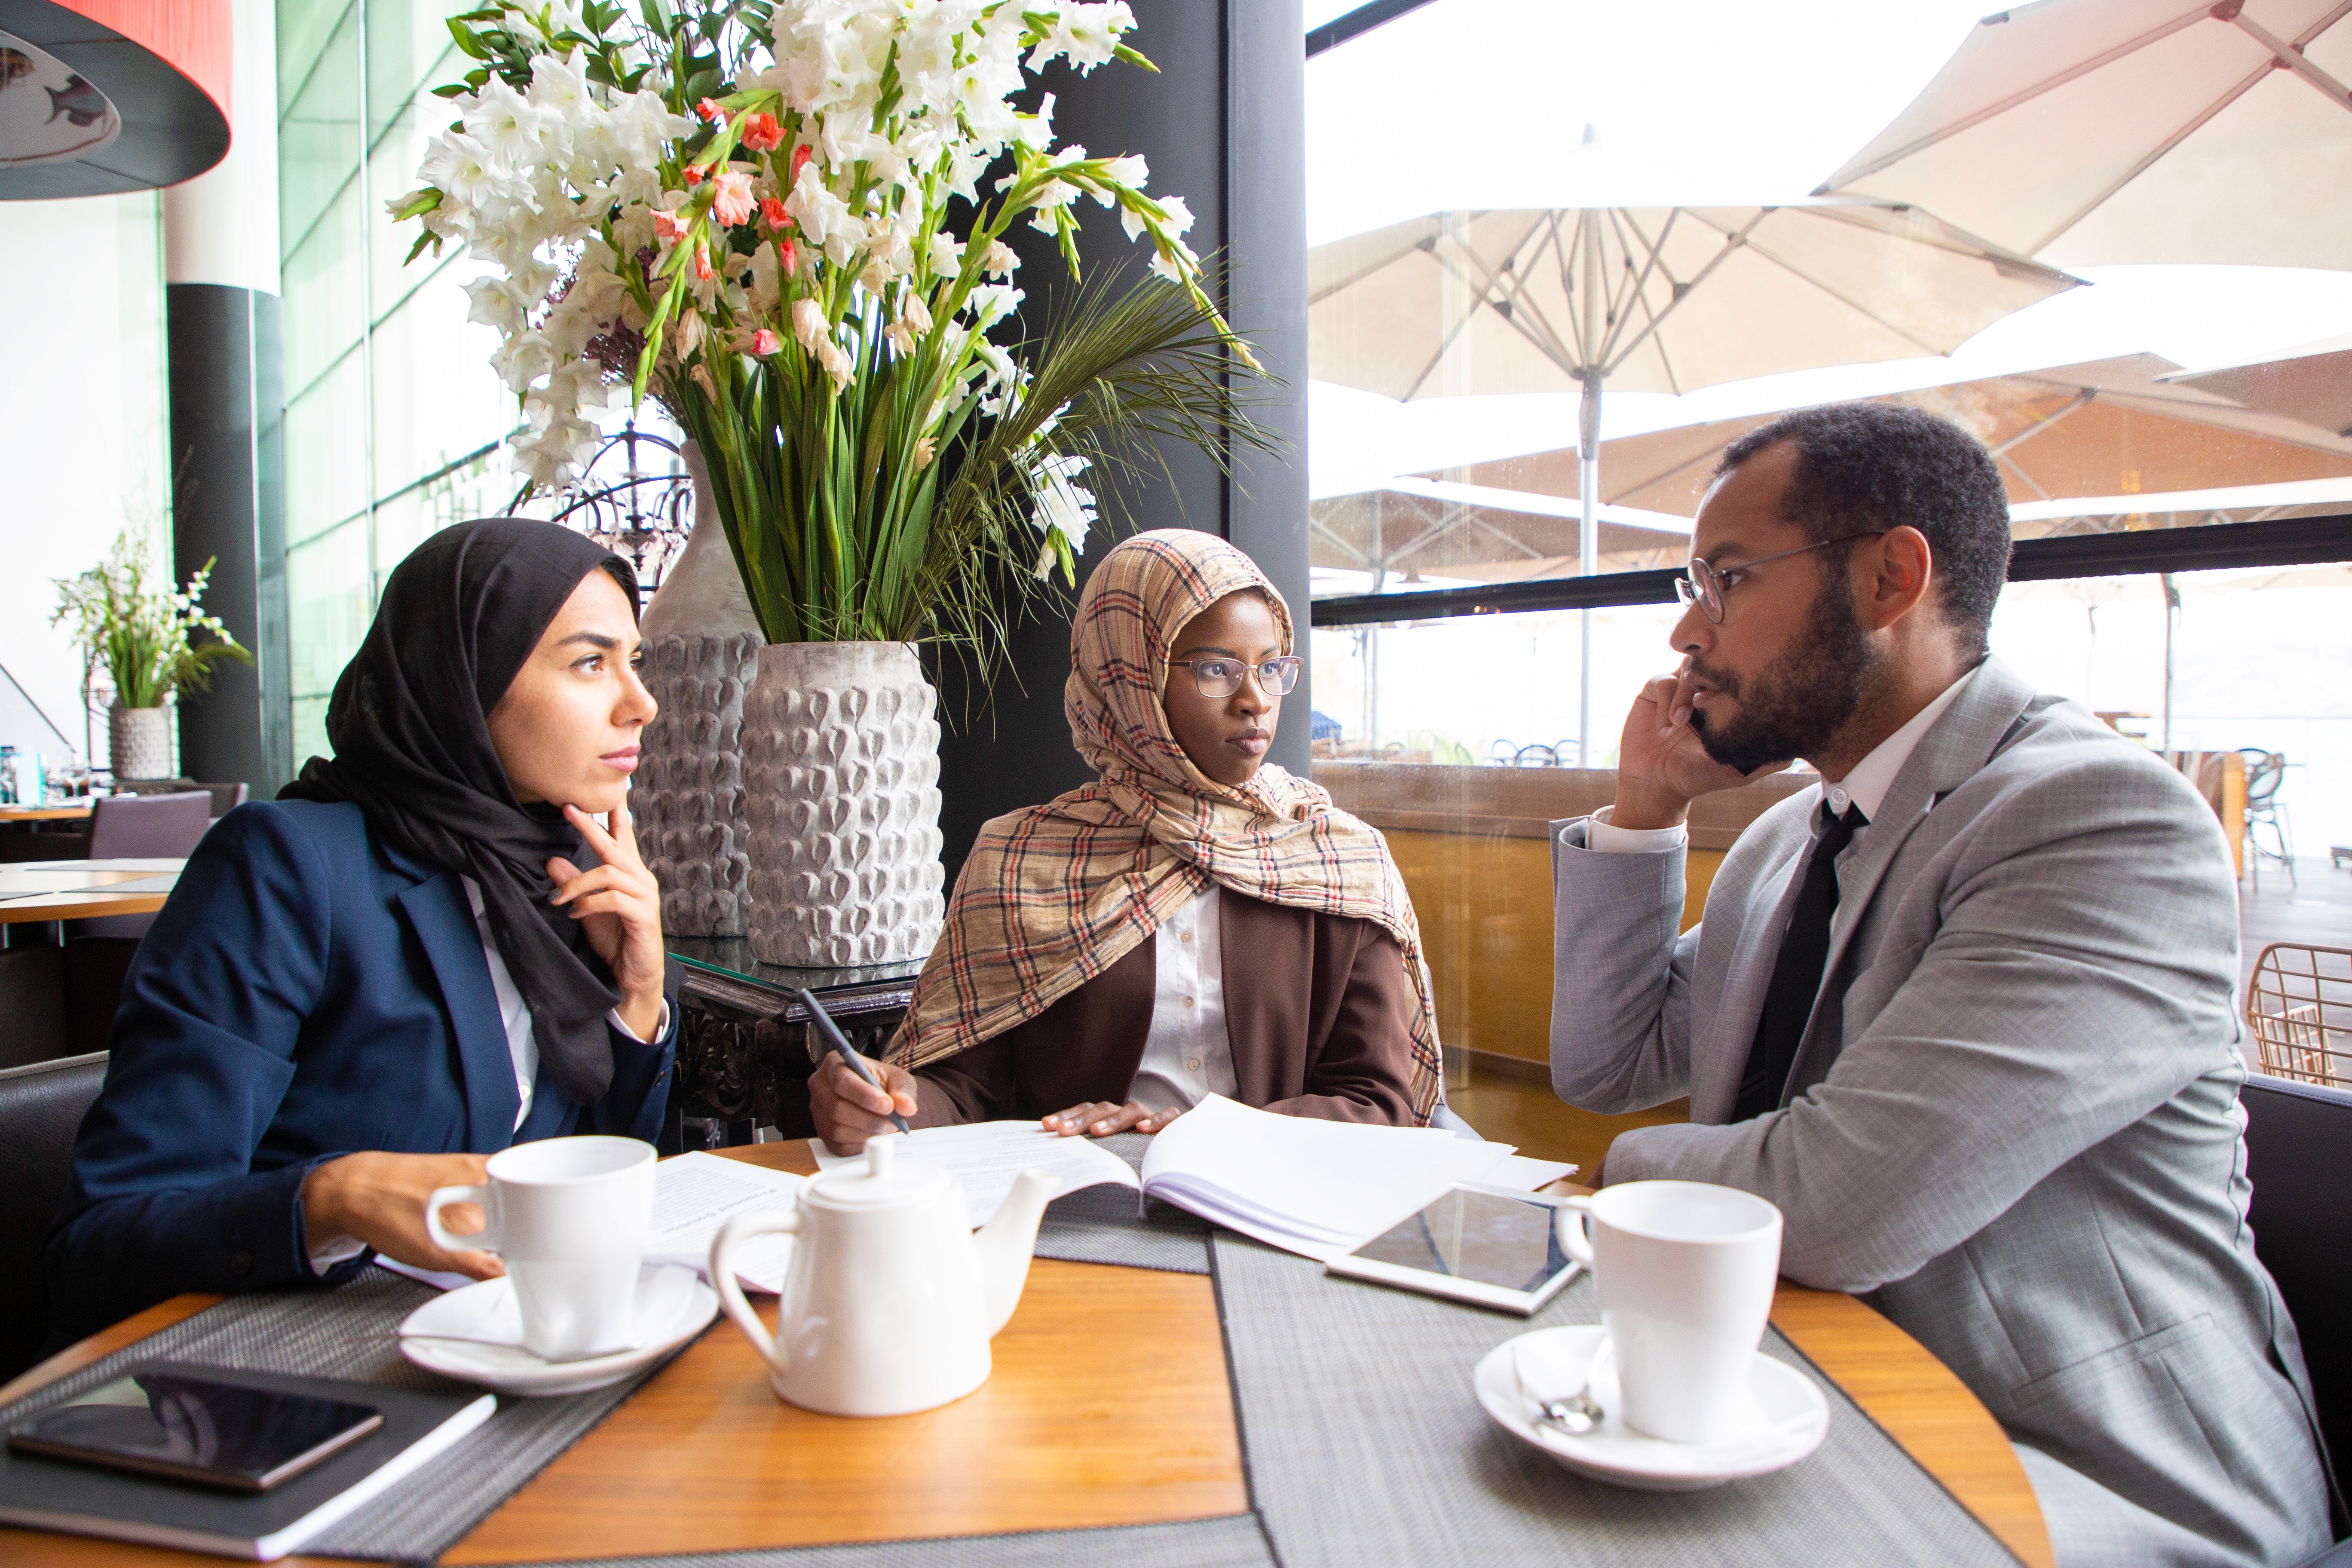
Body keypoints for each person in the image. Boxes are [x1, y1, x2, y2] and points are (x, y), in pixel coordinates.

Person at [1548, 402, 2334, 1567]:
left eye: (1724, 581)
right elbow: (1608, 1066)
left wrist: (1623, 1178)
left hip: (2083, 1471)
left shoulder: (2097, 821)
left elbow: (1836, 1202)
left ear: (1889, 576)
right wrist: (1648, 812)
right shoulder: (1785, 842)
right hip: (1801, 1396)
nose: (1686, 639)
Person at [46, 518, 677, 1344]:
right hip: (290, 1390)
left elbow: (587, 1188)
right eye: (592, 663)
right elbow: (100, 1243)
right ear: (463, 678)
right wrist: (330, 1199)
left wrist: (637, 996)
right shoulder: (287, 867)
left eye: (635, 662)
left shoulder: (561, 870)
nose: (642, 703)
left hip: (509, 1362)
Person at [811, 529, 1442, 1153]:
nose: (1255, 701)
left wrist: (1209, 1135)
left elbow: (1380, 1103)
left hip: (1270, 1217)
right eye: (1216, 670)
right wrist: (888, 1107)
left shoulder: (1337, 860)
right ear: (1131, 678)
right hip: (1066, 1211)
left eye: (1272, 667)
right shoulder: (1019, 860)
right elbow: (965, 1092)